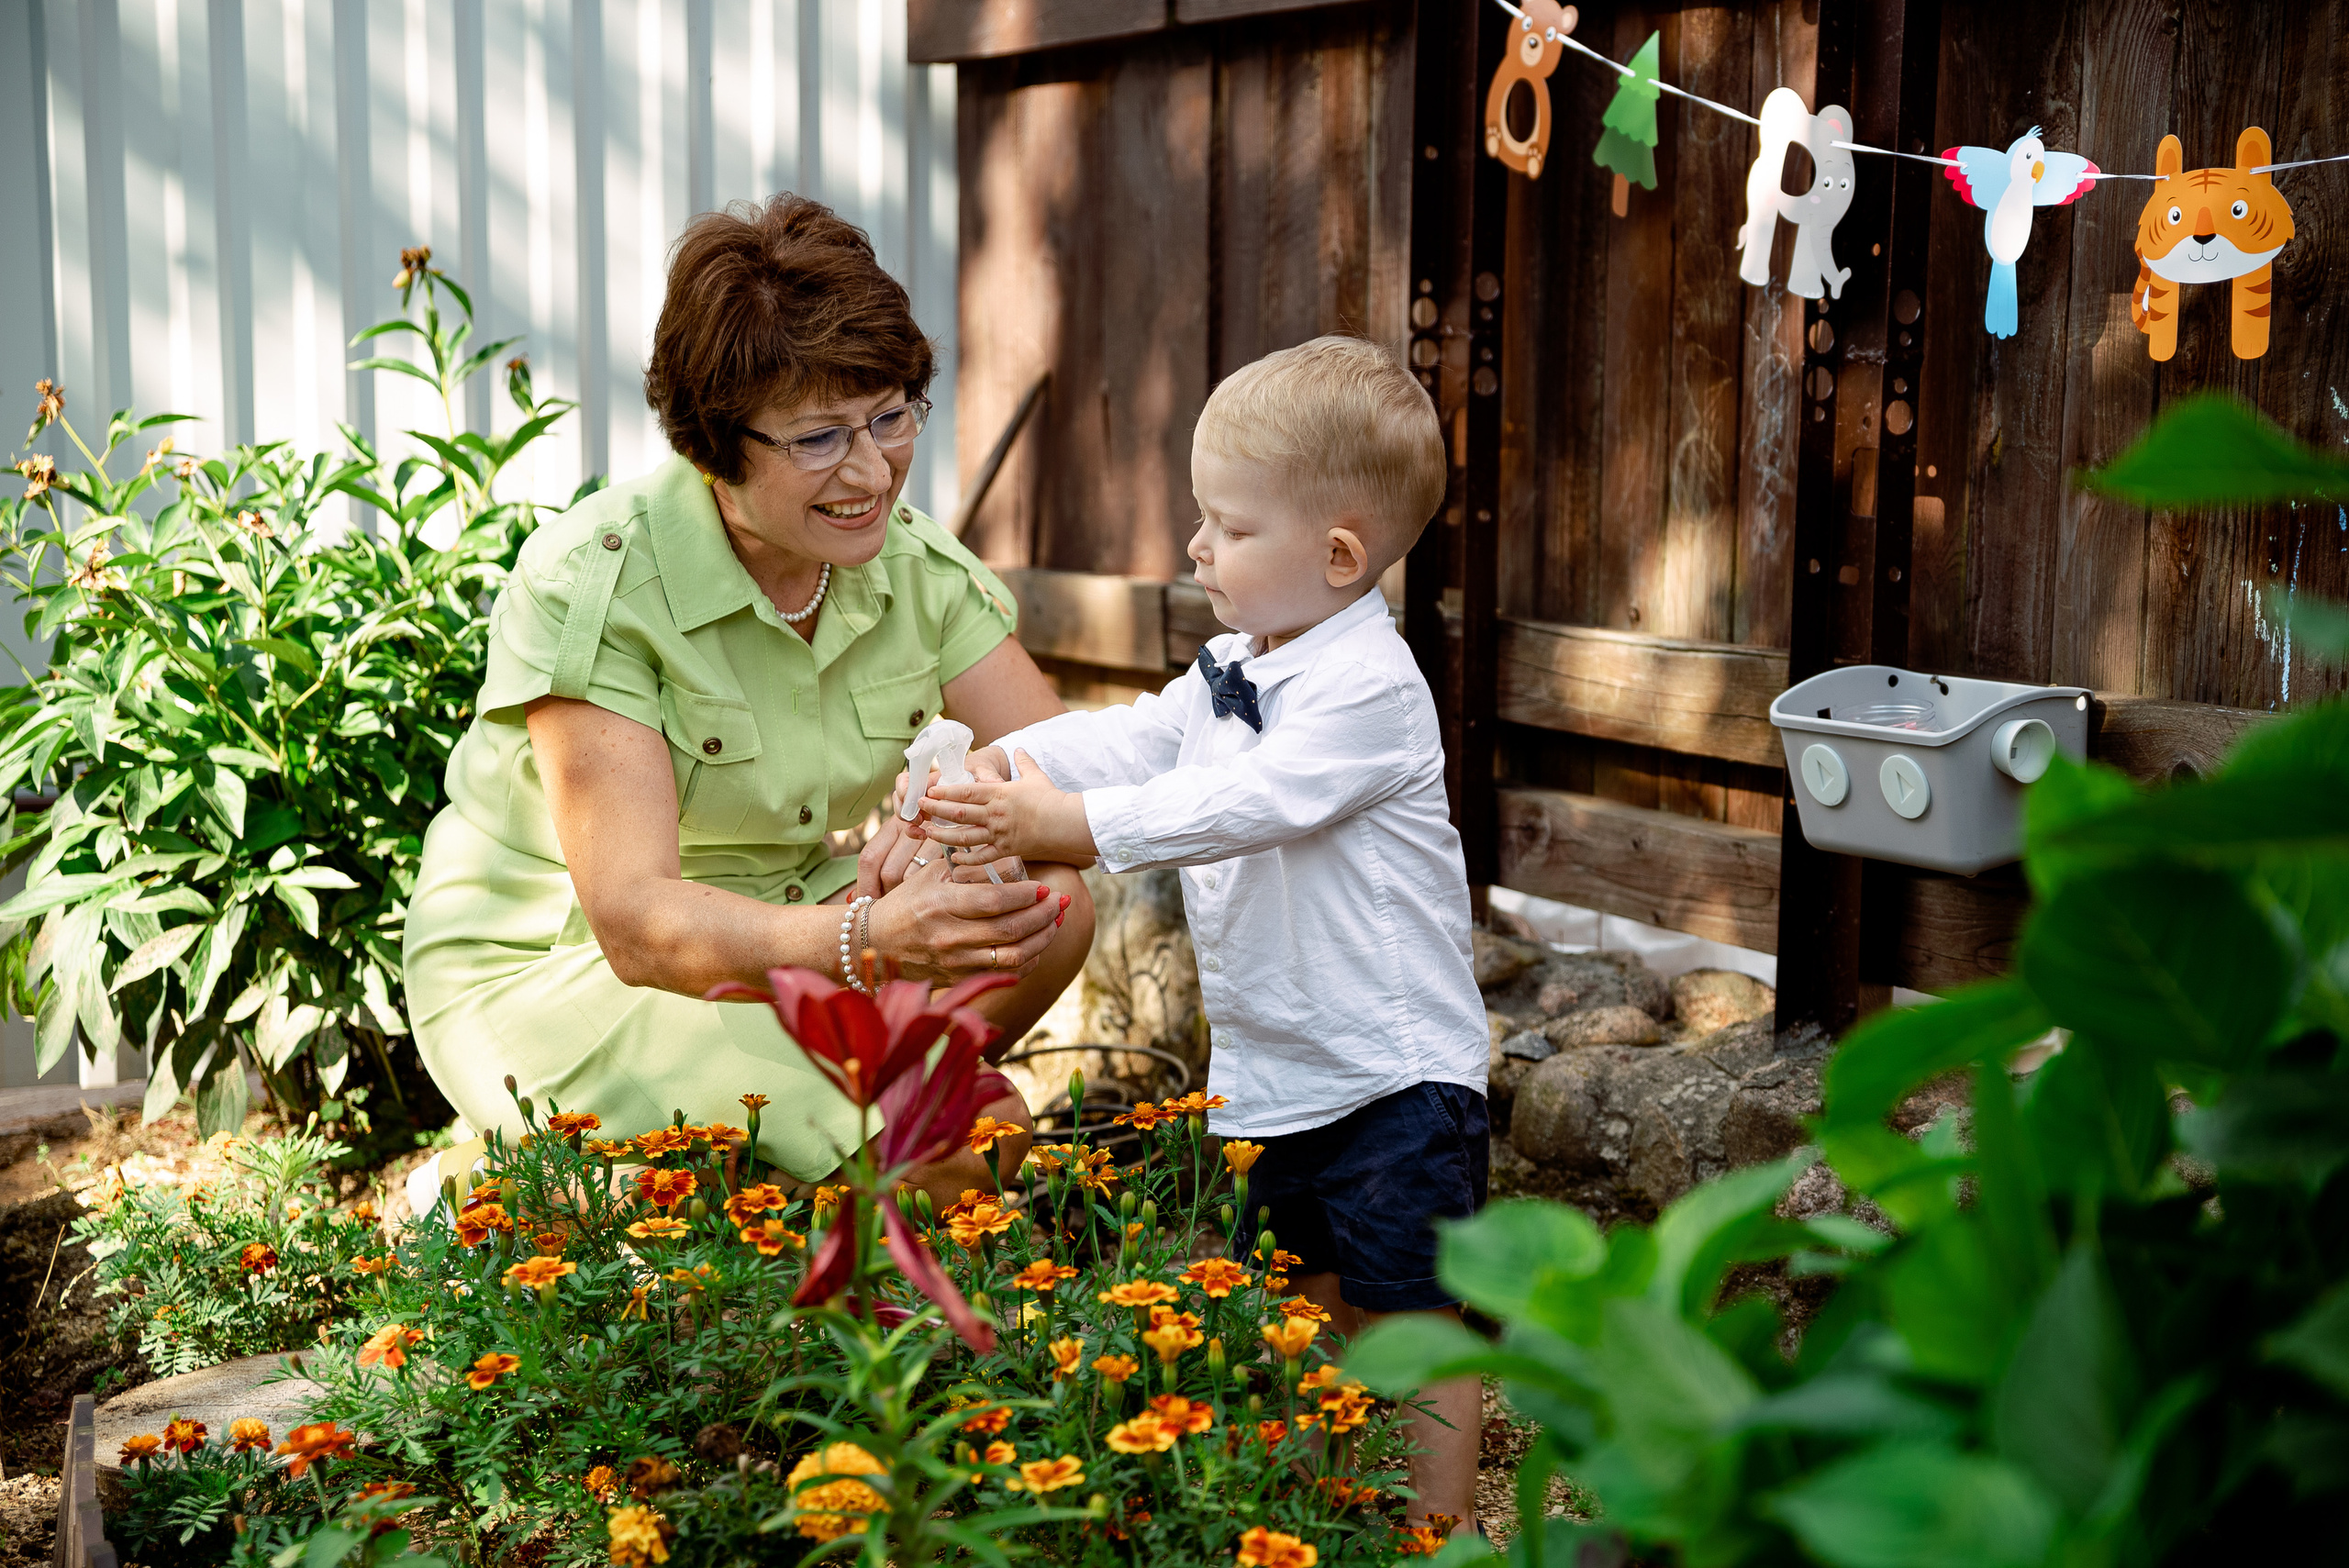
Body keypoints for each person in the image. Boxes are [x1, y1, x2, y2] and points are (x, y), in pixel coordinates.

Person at [402, 195, 1094, 1201]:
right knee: (965, 1139)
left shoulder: (911, 564)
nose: (872, 471)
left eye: (891, 414)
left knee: (1049, 900)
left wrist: (955, 821)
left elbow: (1063, 770)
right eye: (818, 438)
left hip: (789, 919)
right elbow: (636, 922)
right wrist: (867, 942)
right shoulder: (598, 585)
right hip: (563, 965)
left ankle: (779, 1171)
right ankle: (534, 1182)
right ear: (715, 444)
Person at [918, 336, 1487, 1533]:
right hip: (1274, 1080)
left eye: (1226, 526)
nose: (1195, 547)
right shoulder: (1238, 661)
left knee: (1409, 1311)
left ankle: (1439, 1532)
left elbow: (1236, 802)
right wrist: (1012, 760)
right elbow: (1144, 741)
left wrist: (1059, 823)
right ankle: (1346, 1509)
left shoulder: (1370, 691)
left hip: (1391, 1078)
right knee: (1306, 1302)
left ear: (1336, 555)